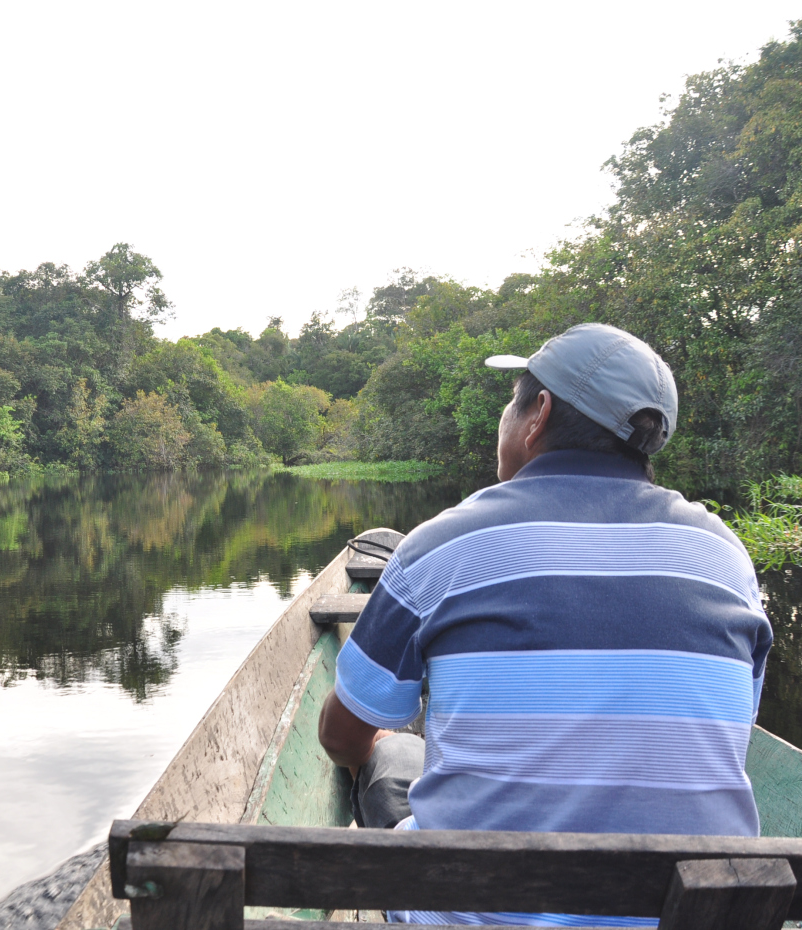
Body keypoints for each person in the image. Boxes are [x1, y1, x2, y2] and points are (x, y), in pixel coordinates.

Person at [317, 323, 773, 926]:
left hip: (478, 914)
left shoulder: (446, 543)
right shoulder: (724, 556)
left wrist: (384, 746)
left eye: (512, 400)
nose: (504, 418)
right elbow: (736, 729)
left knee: (393, 752)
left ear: (538, 415)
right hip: (687, 914)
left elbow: (341, 737)